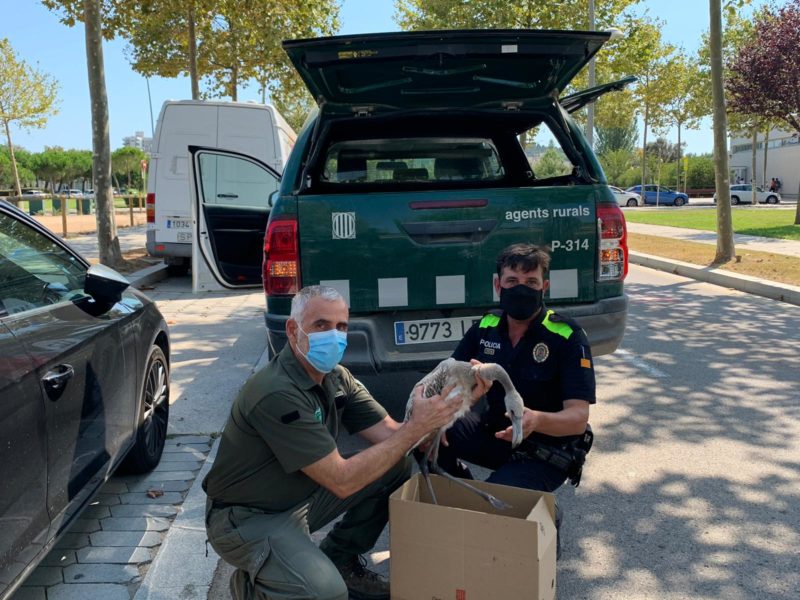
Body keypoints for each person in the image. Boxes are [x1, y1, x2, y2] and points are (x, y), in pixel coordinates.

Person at [203, 285, 463, 600]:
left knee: (397, 464)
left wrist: (444, 411)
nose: (334, 336)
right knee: (324, 593)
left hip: (301, 499)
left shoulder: (336, 377)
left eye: (341, 327)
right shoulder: (276, 393)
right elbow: (341, 480)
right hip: (246, 518)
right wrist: (415, 430)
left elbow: (395, 437)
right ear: (292, 329)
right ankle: (254, 588)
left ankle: (339, 559)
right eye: (321, 325)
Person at [436, 243, 596, 556]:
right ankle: (470, 495)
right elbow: (446, 379)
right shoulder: (486, 327)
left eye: (531, 283)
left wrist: (536, 421)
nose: (521, 290)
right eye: (512, 282)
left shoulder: (566, 336)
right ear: (498, 285)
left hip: (545, 449)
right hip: (496, 434)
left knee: (501, 500)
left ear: (544, 287)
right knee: (423, 437)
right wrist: (440, 414)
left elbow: (578, 418)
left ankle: (542, 513)